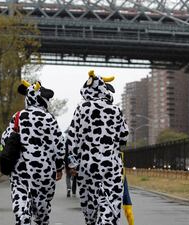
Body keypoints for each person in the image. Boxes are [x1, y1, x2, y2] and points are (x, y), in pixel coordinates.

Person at [66, 70, 129, 225]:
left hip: (87, 167)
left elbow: (71, 138)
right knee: (110, 206)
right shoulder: (115, 110)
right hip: (111, 165)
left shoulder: (81, 109)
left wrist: (73, 164)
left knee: (90, 208)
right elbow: (124, 136)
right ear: (103, 89)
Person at [1, 80, 65, 225]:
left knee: (21, 200)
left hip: (21, 170)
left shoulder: (18, 117)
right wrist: (59, 167)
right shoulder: (49, 119)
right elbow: (60, 145)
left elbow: (5, 139)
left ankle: (23, 218)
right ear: (43, 99)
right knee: (42, 208)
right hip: (44, 171)